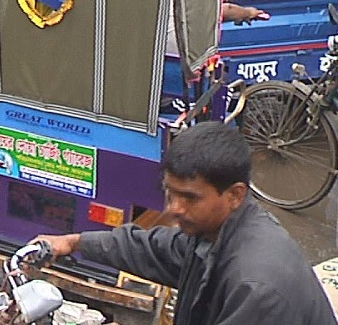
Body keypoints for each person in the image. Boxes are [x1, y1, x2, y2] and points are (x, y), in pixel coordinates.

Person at [33, 122, 337, 325]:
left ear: (234, 194)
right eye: (170, 193)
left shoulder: (256, 288)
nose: (174, 208)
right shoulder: (215, 232)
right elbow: (154, 249)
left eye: (190, 197)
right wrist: (73, 242)